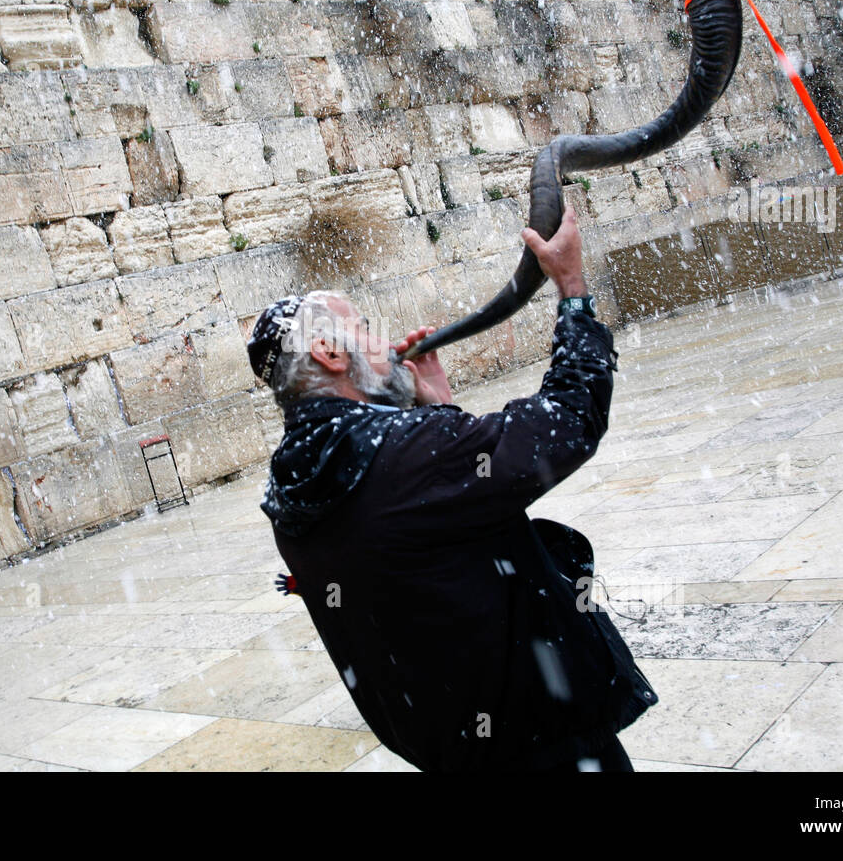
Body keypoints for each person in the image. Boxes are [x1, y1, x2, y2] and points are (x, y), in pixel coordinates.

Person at [246, 205, 657, 772]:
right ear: (330, 354)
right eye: (364, 328)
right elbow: (567, 421)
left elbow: (437, 538)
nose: (386, 344)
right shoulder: (411, 454)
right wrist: (572, 290)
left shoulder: (290, 486)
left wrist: (438, 410)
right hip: (545, 749)